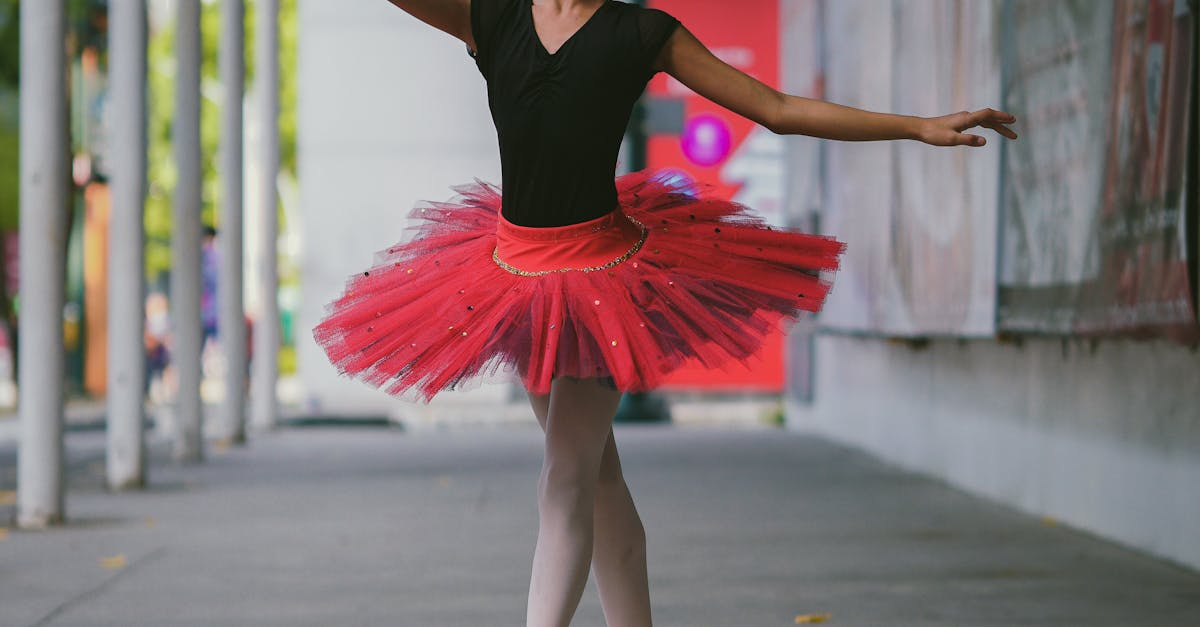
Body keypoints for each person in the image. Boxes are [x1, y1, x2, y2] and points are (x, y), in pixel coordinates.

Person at [314, 2, 1018, 625]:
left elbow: (775, 107)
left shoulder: (642, 30)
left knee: (564, 478)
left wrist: (918, 126)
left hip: (603, 282)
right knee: (597, 480)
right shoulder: (492, 15)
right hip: (514, 280)